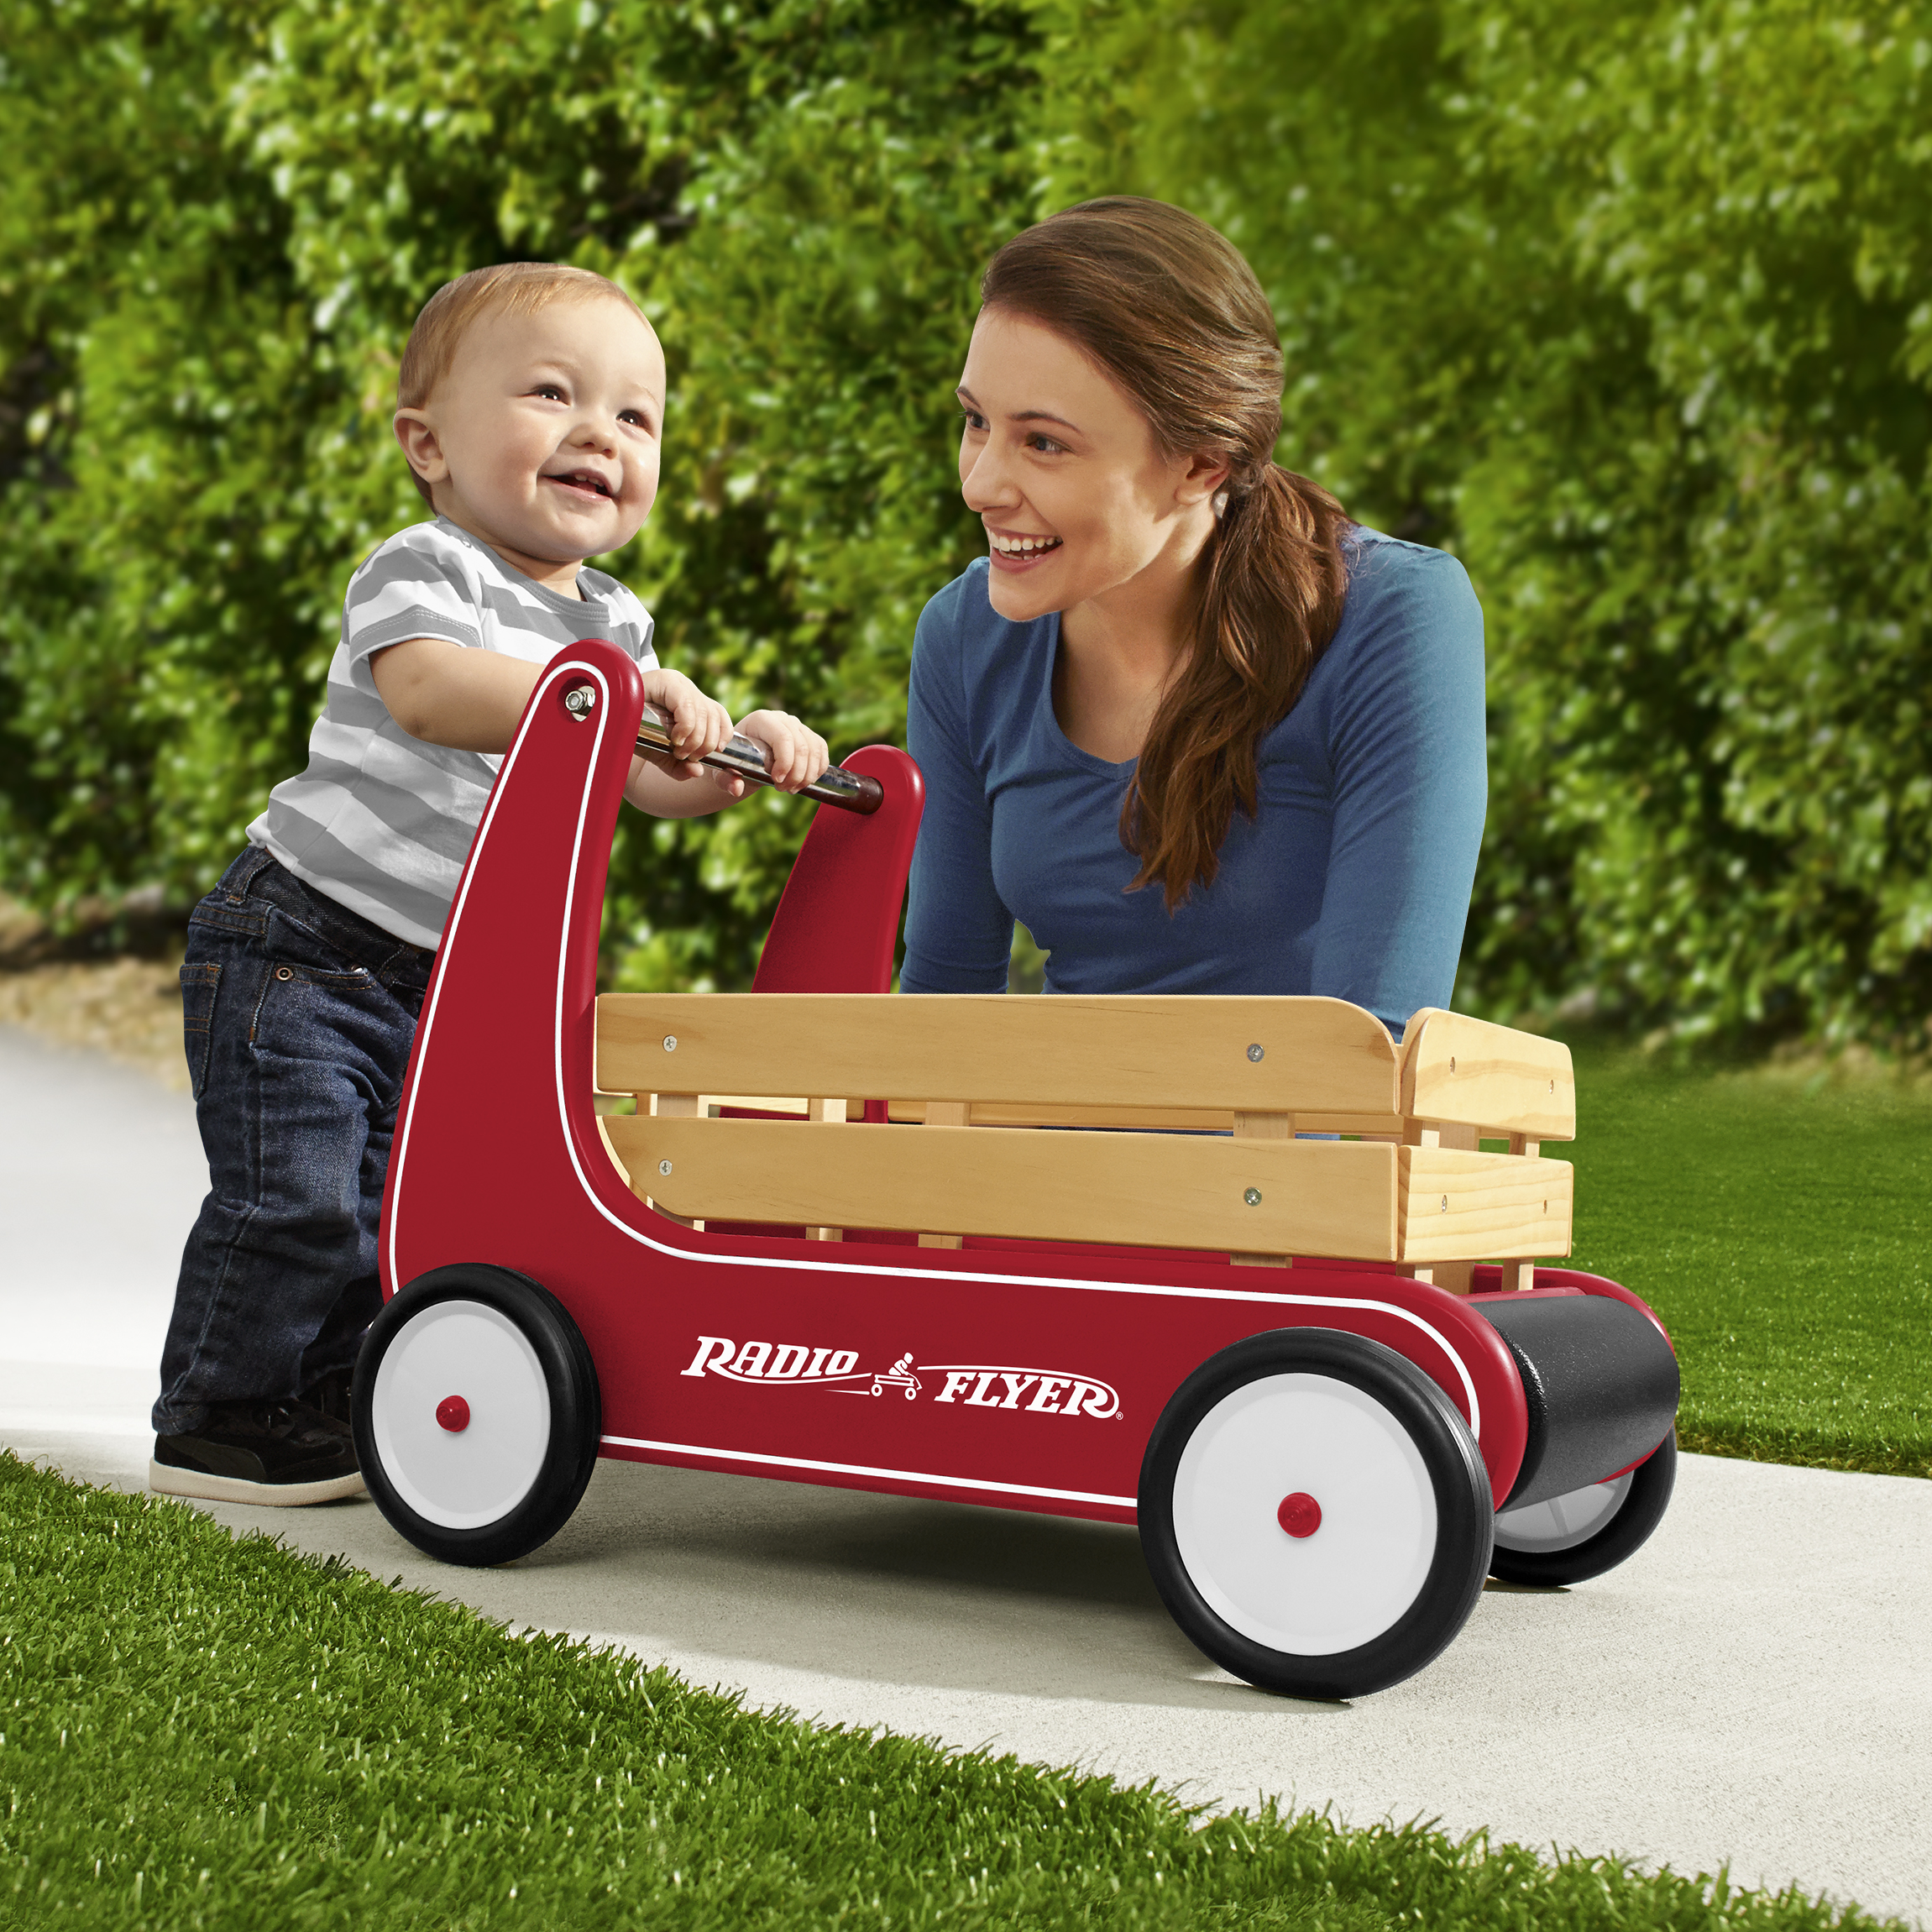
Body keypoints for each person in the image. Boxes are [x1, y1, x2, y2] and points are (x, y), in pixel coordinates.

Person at [150, 262, 828, 1506]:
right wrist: (607, 700)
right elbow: (432, 693)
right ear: (430, 444)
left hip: (443, 978)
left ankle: (330, 1397)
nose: (598, 434)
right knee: (299, 1197)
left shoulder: (615, 626)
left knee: (396, 1203)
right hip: (300, 946)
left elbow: (646, 778)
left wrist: (733, 760)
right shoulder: (427, 567)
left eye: (635, 416)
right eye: (553, 394)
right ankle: (216, 1409)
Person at [900, 199, 1486, 1034]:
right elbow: (941, 1024)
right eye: (976, 422)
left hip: (1290, 1164)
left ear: (1201, 464)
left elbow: (1374, 1054)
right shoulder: (967, 638)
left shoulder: (1393, 620)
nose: (979, 484)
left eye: (1044, 443)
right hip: (1039, 1164)